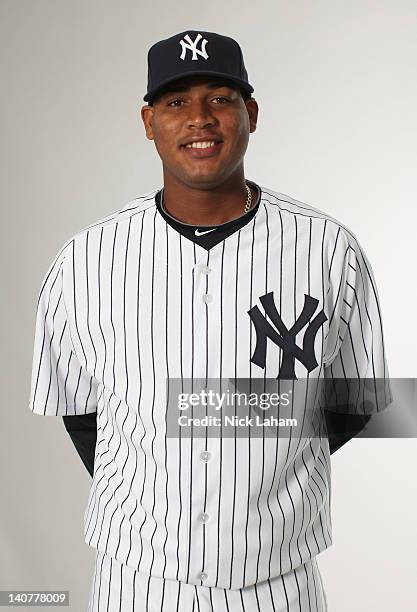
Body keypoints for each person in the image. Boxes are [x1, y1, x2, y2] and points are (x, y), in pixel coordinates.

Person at [28, 29, 391, 612]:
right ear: (148, 122)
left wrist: (260, 461)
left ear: (251, 113)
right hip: (138, 574)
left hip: (279, 574)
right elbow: (80, 412)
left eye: (220, 98)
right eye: (176, 102)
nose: (200, 118)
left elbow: (355, 401)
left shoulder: (328, 248)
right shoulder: (87, 259)